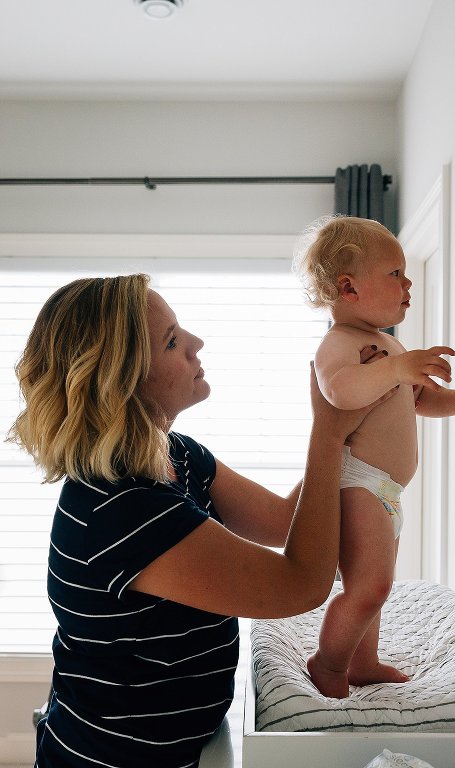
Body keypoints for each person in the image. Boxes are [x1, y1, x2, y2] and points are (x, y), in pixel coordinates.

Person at [7, 273, 393, 768]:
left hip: (181, 743)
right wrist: (329, 433)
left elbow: (285, 521)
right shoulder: (121, 510)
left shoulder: (176, 455)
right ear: (122, 384)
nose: (195, 343)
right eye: (172, 341)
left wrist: (352, 420)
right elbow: (301, 584)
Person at [293, 216, 455, 698]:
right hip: (358, 482)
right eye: (396, 273)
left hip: (386, 492)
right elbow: (340, 393)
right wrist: (394, 367)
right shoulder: (340, 345)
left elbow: (417, 400)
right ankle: (328, 662)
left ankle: (362, 662)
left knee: (377, 588)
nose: (408, 284)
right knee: (369, 586)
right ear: (348, 288)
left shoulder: (389, 347)